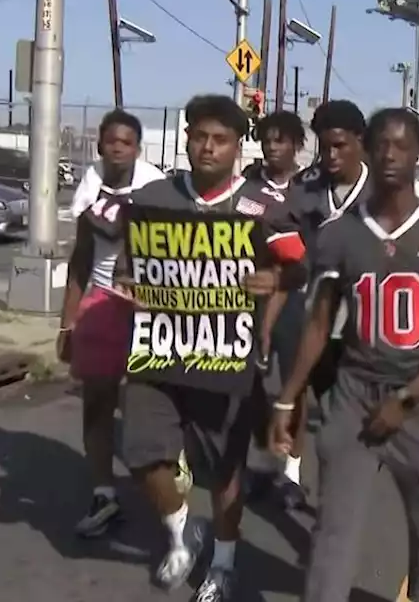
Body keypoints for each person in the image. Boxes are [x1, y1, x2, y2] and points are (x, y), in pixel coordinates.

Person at [270, 107, 419, 602]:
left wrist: (408, 398)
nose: (390, 154)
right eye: (381, 143)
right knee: (334, 526)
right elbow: (319, 322)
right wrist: (288, 398)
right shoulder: (340, 234)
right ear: (368, 148)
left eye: (402, 145)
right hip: (355, 393)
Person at [114, 94, 305, 600]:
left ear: (238, 147)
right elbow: (126, 264)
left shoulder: (264, 206)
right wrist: (128, 284)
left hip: (227, 359)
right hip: (159, 353)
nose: (207, 147)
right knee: (139, 451)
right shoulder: (153, 196)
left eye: (220, 139)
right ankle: (181, 530)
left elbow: (298, 266)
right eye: (199, 136)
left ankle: (223, 560)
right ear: (186, 138)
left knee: (225, 471)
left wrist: (271, 280)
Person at [275, 100, 419, 508]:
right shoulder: (305, 190)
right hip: (321, 316)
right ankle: (303, 478)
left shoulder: (386, 188)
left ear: (361, 143)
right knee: (326, 413)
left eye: (340, 146)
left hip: (371, 324)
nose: (331, 156)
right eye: (324, 148)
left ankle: (345, 484)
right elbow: (283, 239)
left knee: (355, 422)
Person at [59, 110, 169, 538]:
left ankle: (170, 485)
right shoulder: (90, 185)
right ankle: (104, 493)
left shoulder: (156, 188)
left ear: (137, 148)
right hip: (101, 305)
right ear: (101, 145)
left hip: (150, 307)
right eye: (110, 142)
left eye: (126, 142)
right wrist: (68, 321)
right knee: (98, 403)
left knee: (149, 409)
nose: (117, 148)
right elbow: (81, 256)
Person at [243, 109, 310, 506]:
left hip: (299, 297)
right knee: (247, 385)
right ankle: (255, 463)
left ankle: (292, 472)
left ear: (296, 145)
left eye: (280, 139)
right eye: (267, 139)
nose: (272, 146)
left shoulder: (311, 189)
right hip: (251, 295)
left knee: (294, 384)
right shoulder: (248, 187)